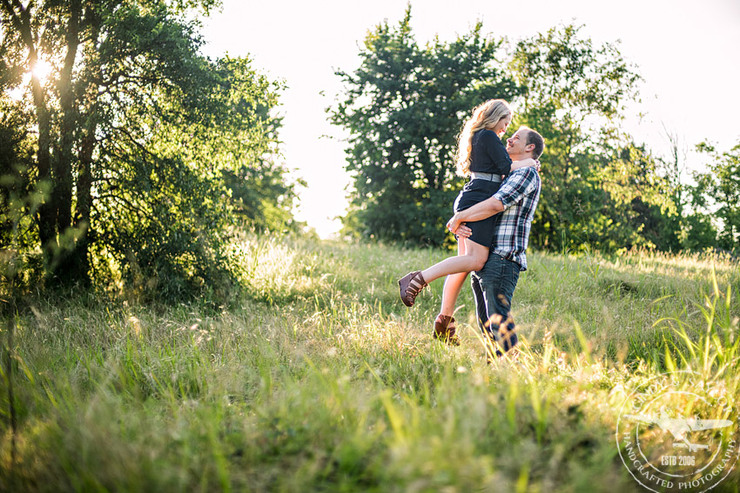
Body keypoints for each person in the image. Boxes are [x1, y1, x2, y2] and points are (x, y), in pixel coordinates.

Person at [397, 99, 538, 322]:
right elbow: (505, 167)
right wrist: (530, 163)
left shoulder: (480, 136)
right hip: (479, 196)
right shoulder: (488, 136)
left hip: (473, 195)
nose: (505, 129)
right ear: (496, 116)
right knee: (475, 260)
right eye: (505, 122)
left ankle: (444, 320)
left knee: (462, 263)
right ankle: (418, 279)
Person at [444, 126, 544, 358]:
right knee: (487, 323)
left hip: (503, 257)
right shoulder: (508, 173)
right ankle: (498, 375)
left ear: (529, 147)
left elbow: (495, 205)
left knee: (498, 320)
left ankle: (513, 371)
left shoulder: (526, 174)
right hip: (487, 258)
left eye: (516, 138)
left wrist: (460, 216)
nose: (509, 139)